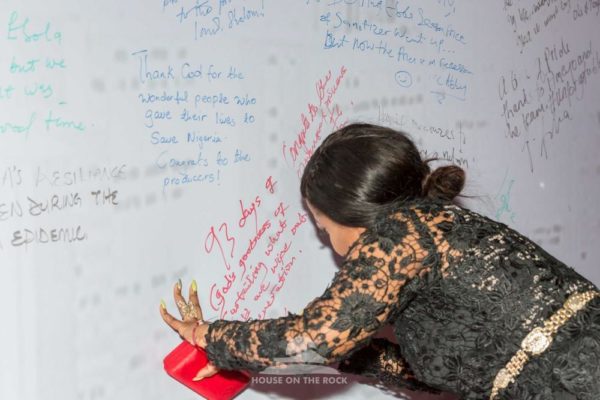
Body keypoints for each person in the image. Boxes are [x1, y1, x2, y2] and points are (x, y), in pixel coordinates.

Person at [160, 123, 600, 399]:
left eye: (323, 228)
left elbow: (312, 339)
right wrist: (346, 354)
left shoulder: (402, 235)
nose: (330, 245)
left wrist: (209, 335)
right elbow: (439, 370)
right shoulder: (438, 229)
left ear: (352, 212)